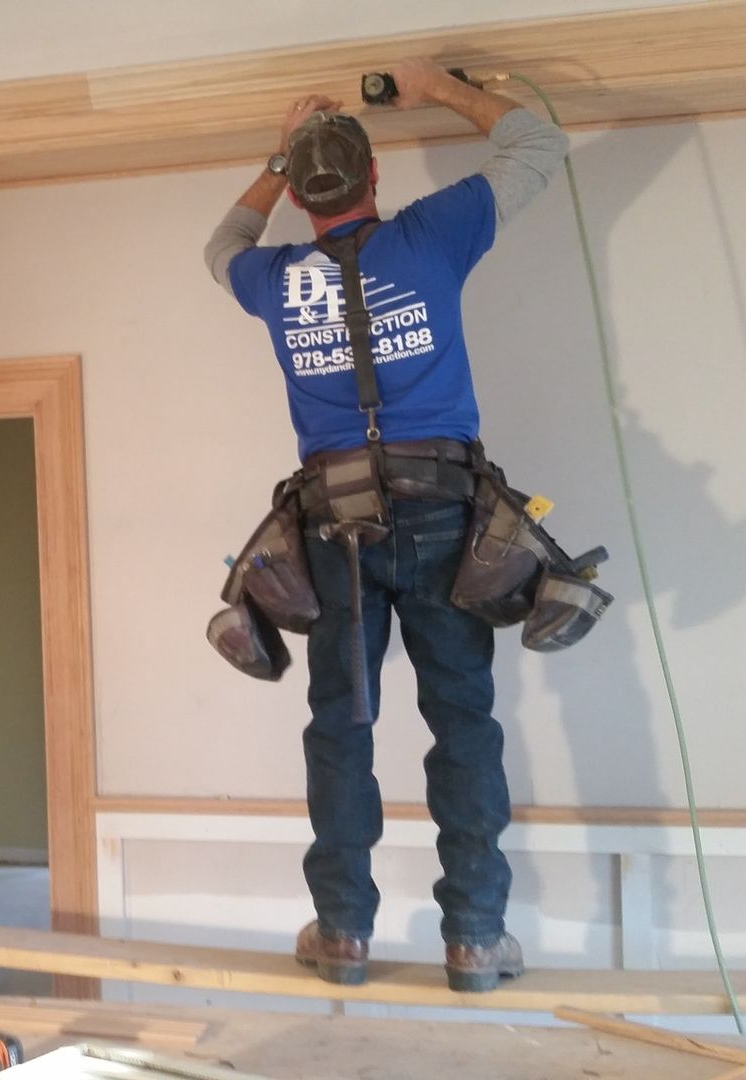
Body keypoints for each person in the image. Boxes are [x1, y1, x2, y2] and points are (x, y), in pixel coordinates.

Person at [203, 59, 568, 991]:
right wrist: (434, 88)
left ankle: (343, 934)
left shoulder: (272, 277)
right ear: (373, 182)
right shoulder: (430, 236)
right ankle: (476, 939)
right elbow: (536, 140)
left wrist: (277, 154)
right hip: (446, 513)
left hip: (335, 529)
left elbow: (222, 243)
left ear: (302, 192)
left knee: (341, 727)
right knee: (463, 723)